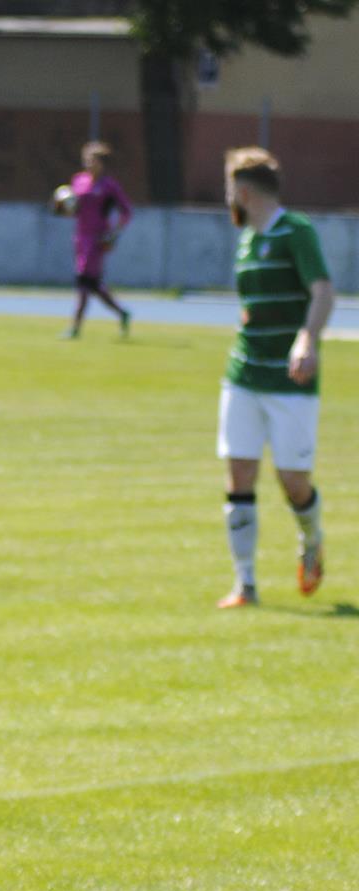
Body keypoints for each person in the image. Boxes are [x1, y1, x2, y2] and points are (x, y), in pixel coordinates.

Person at [215, 147, 333, 609]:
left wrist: (307, 339)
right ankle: (245, 584)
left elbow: (322, 291)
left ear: (243, 190)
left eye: (230, 188)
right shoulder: (245, 238)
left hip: (289, 381)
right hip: (244, 374)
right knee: (239, 471)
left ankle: (312, 538)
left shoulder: (295, 231)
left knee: (292, 482)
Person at [60, 141, 133, 340]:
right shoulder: (78, 181)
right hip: (80, 237)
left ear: (101, 163)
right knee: (93, 284)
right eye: (87, 160)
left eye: (93, 160)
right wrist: (63, 207)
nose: (89, 164)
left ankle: (75, 328)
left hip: (98, 239)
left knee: (83, 280)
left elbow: (126, 211)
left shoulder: (109, 186)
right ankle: (122, 313)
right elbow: (73, 209)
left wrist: (115, 232)